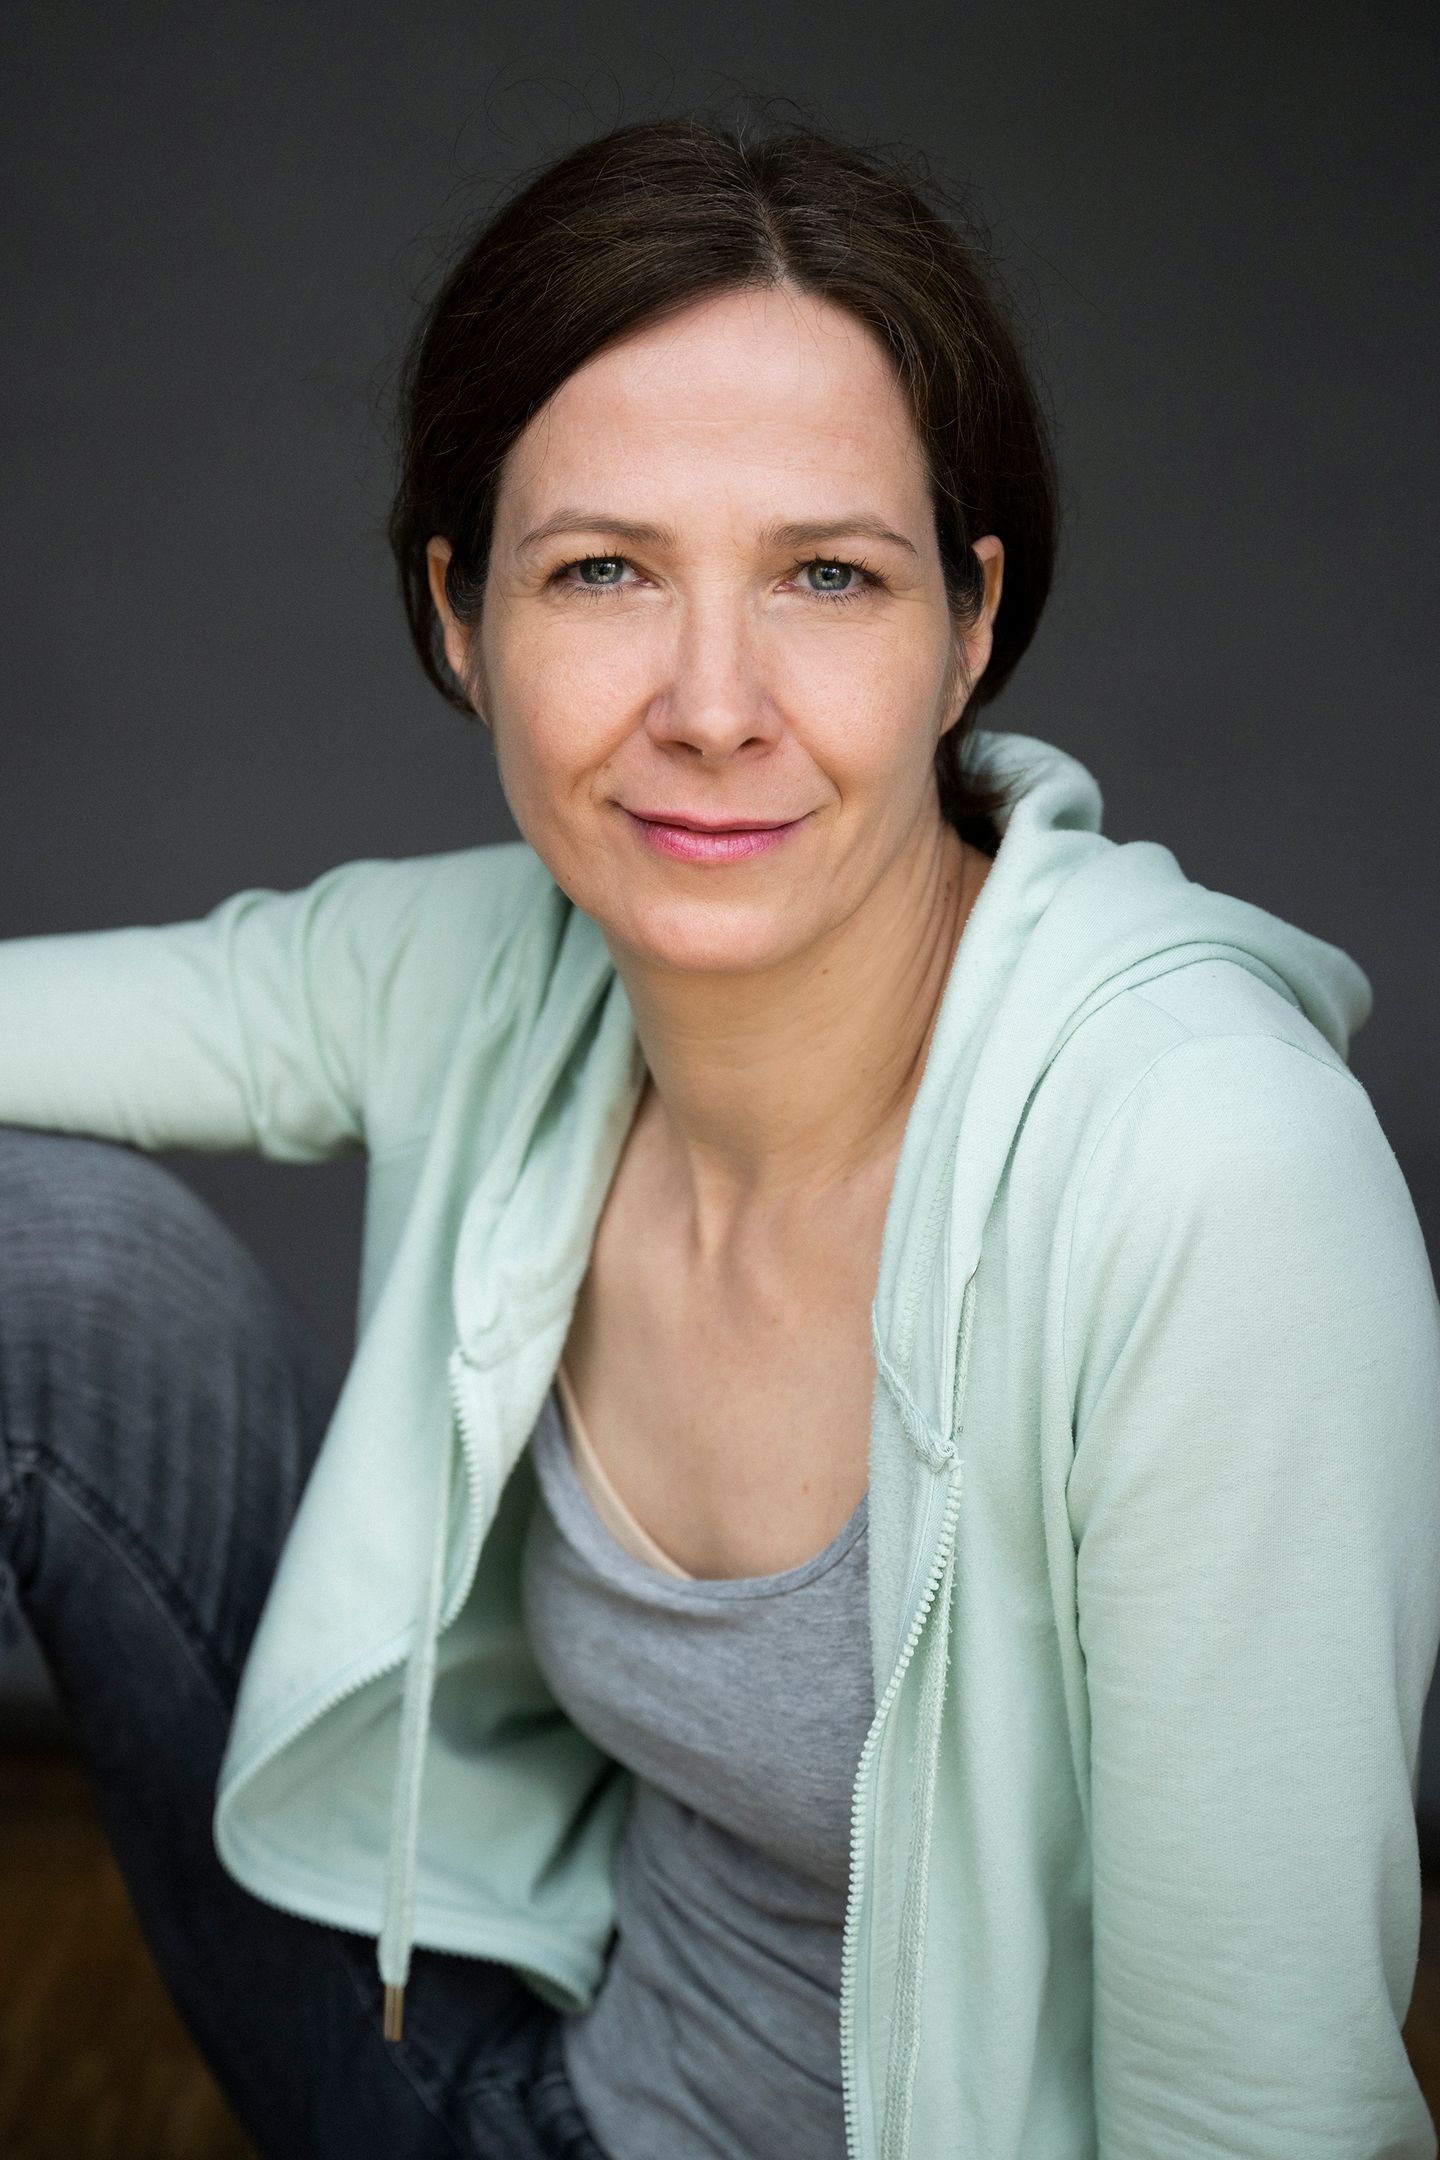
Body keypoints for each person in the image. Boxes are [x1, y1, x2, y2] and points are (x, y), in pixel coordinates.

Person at [1, 110, 1437, 2160]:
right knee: (54, 1266)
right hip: (514, 2073)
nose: (710, 702)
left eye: (826, 576)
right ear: (459, 615)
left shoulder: (1207, 1181)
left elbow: (1253, 2112)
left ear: (967, 624)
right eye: (603, 570)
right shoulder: (497, 973)